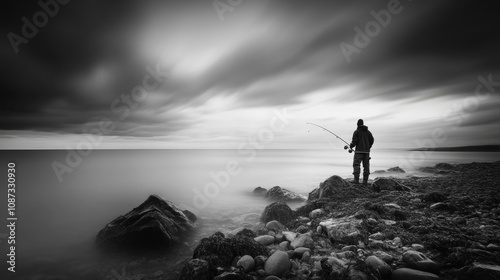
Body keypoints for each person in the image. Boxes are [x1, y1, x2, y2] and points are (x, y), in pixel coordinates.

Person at [349, 119, 374, 185]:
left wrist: (351, 146)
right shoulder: (368, 132)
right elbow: (372, 140)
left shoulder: (356, 132)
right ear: (363, 124)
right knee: (366, 166)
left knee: (356, 165)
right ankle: (365, 181)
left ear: (357, 124)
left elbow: (354, 141)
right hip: (367, 152)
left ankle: (356, 180)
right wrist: (369, 146)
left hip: (358, 151)